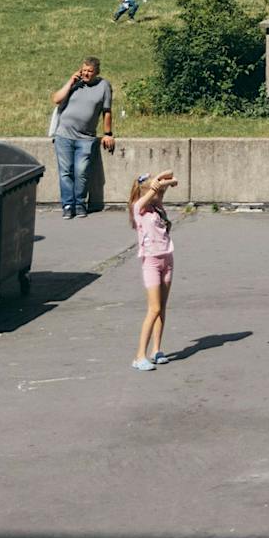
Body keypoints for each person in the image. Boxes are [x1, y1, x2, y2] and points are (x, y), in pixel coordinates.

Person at [50, 57, 116, 219]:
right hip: (63, 135)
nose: (86, 73)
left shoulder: (103, 86)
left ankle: (79, 203)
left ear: (97, 72)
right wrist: (70, 82)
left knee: (81, 172)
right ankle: (67, 204)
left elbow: (106, 111)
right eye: (84, 70)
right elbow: (56, 99)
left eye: (90, 71)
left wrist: (108, 134)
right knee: (65, 172)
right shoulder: (75, 84)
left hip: (85, 138)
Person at [129, 171, 179, 371]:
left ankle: (156, 350)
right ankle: (139, 355)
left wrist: (161, 179)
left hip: (167, 258)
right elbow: (154, 191)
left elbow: (171, 176)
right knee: (154, 308)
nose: (160, 196)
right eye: (156, 193)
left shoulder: (158, 208)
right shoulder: (139, 209)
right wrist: (154, 186)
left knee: (162, 308)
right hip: (151, 261)